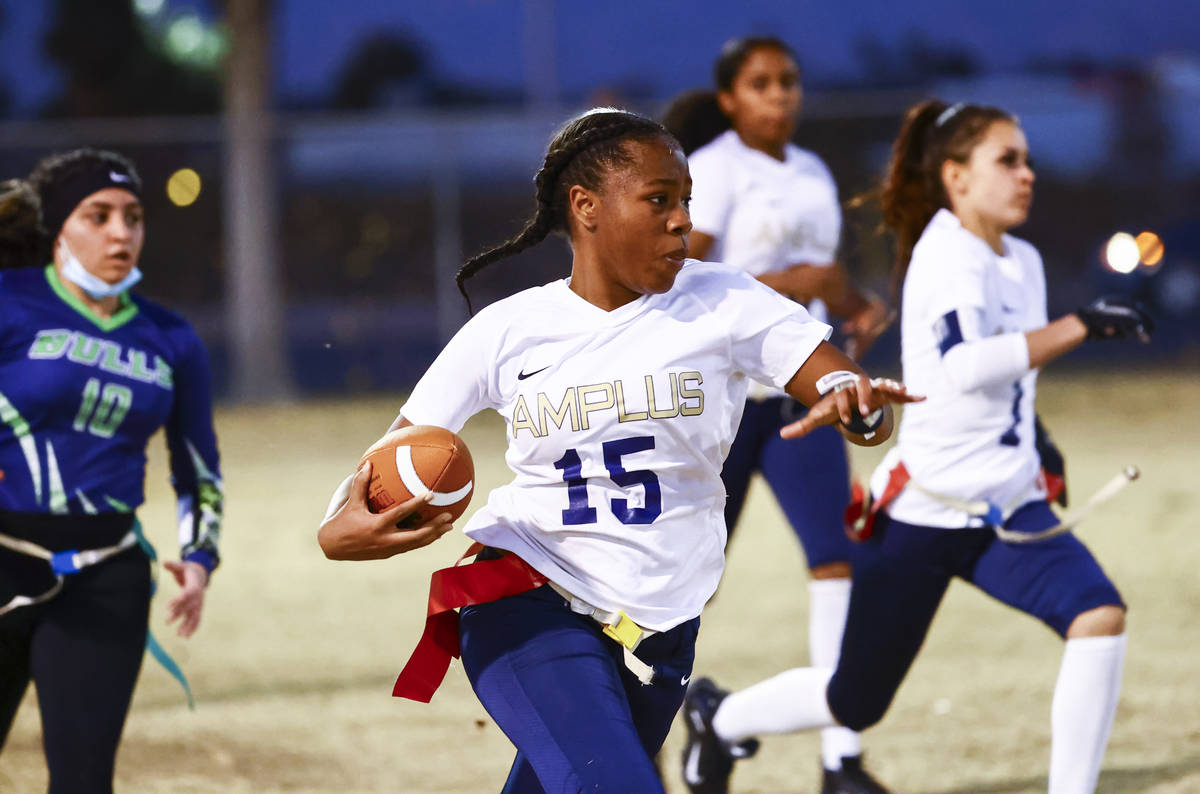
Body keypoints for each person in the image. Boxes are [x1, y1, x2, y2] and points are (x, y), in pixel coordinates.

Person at [317, 107, 919, 794]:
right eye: (659, 200)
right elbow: (372, 481)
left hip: (659, 635)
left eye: (687, 201)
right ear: (586, 207)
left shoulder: (723, 299)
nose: (682, 220)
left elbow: (841, 385)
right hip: (528, 599)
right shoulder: (507, 330)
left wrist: (857, 404)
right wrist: (347, 533)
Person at [680, 100, 1153, 794]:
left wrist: (1039, 444)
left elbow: (1008, 378)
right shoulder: (944, 253)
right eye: (1008, 160)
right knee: (855, 699)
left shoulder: (1021, 257)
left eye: (1027, 159)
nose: (1027, 174)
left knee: (1099, 615)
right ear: (957, 177)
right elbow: (964, 366)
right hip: (922, 514)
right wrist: (1081, 325)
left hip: (1006, 512)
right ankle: (720, 719)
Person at [662, 36, 892, 794]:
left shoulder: (814, 172)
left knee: (839, 562)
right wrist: (805, 278)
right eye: (762, 83)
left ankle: (842, 763)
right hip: (722, 405)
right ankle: (643, 747)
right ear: (729, 98)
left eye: (789, 81)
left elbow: (820, 285)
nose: (781, 95)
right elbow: (679, 278)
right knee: (680, 585)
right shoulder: (717, 169)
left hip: (800, 398)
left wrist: (853, 306)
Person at [0, 150, 223, 793]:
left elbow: (198, 466)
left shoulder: (170, 338)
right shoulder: (11, 302)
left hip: (104, 578)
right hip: (2, 559)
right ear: (57, 230)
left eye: (132, 217)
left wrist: (200, 557)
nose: (120, 233)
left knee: (83, 782)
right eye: (97, 216)